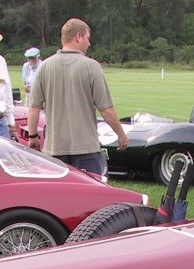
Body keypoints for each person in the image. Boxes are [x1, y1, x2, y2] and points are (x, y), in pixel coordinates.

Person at [26, 18, 128, 175]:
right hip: (86, 150)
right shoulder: (91, 66)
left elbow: (34, 107)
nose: (89, 43)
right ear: (78, 37)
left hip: (54, 150)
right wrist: (121, 135)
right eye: (88, 38)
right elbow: (106, 109)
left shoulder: (44, 67)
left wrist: (32, 136)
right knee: (89, 197)